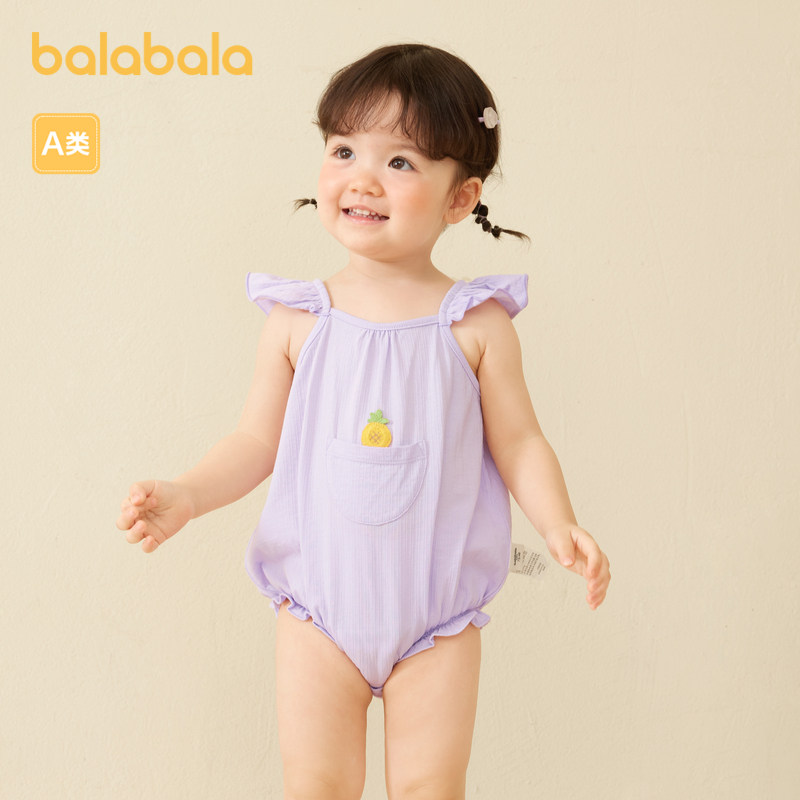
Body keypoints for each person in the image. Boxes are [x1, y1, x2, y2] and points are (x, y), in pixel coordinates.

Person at [116, 43, 611, 800]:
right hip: (317, 611)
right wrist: (187, 494)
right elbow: (255, 441)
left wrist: (557, 521)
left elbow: (518, 440)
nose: (362, 179)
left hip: (436, 619)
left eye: (400, 162)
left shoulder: (474, 325)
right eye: (343, 150)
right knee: (315, 785)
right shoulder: (297, 319)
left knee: (430, 786)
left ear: (460, 197)